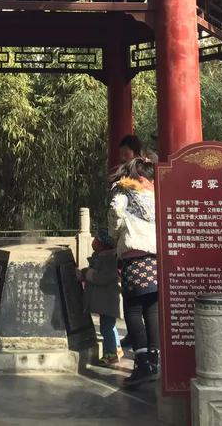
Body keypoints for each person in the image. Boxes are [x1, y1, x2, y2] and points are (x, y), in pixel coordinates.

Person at [109, 156, 159, 387]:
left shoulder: (124, 192)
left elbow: (115, 215)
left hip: (134, 257)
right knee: (152, 309)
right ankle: (154, 359)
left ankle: (142, 362)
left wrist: (115, 233)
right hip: (156, 259)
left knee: (132, 309)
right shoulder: (158, 194)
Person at [77, 230, 122, 366]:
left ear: (102, 244)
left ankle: (111, 354)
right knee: (109, 326)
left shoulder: (108, 259)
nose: (93, 241)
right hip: (105, 300)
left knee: (106, 328)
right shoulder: (100, 257)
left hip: (107, 300)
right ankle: (117, 348)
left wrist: (86, 274)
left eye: (96, 239)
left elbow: (102, 277)